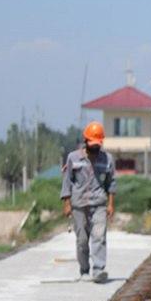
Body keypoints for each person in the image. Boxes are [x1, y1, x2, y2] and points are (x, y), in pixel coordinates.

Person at [60, 121, 116, 283]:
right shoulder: (73, 158)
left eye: (98, 144)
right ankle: (84, 269)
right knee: (82, 240)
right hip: (78, 205)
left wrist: (111, 204)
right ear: (86, 141)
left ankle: (98, 269)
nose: (95, 147)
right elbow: (67, 181)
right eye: (92, 144)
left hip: (99, 204)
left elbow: (111, 183)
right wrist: (67, 203)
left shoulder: (107, 159)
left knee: (99, 236)